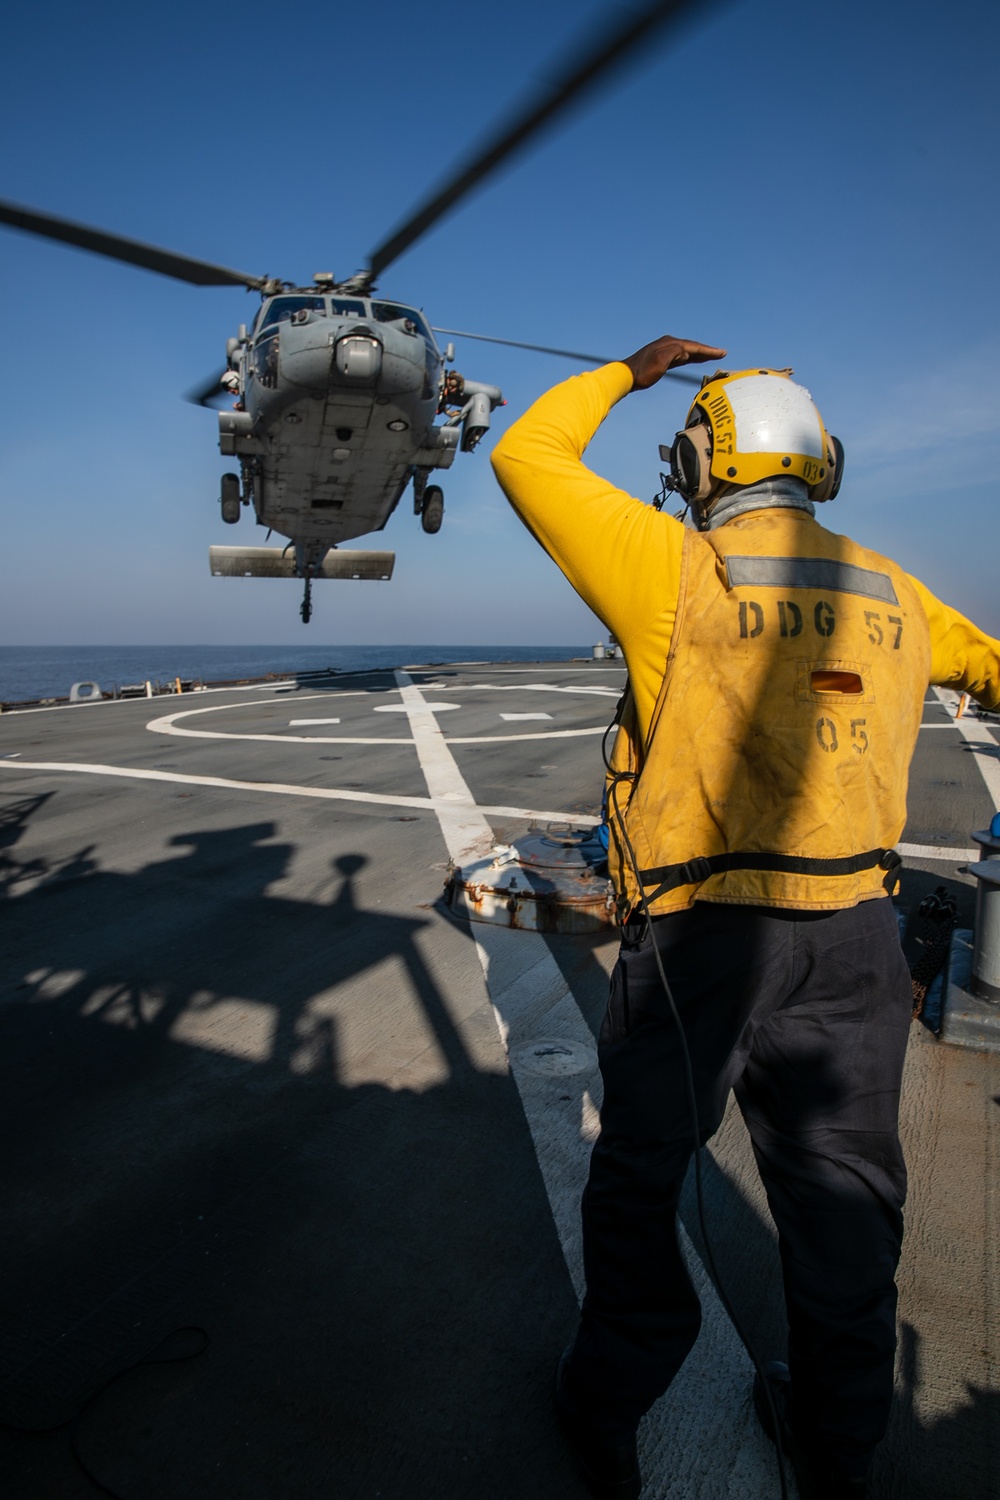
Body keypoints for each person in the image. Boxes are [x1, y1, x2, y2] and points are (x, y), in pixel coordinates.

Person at [490, 336, 1000, 1500]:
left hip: (706, 940)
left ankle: (607, 1408)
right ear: (820, 460)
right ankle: (834, 1447)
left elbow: (527, 454)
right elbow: (990, 667)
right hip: (861, 942)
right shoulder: (891, 592)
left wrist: (625, 370)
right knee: (846, 1201)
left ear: (700, 457)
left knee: (637, 1181)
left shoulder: (673, 566)